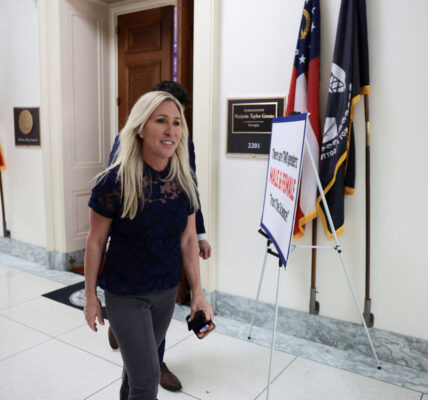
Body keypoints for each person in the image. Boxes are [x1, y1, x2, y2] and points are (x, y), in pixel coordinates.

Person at [84, 91, 214, 400]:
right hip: (125, 293)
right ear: (141, 127)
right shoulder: (113, 182)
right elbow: (95, 241)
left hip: (165, 292)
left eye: (177, 123)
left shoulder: (184, 181)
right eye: (161, 121)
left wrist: (197, 293)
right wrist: (90, 296)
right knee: (147, 379)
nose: (171, 131)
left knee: (135, 374)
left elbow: (188, 240)